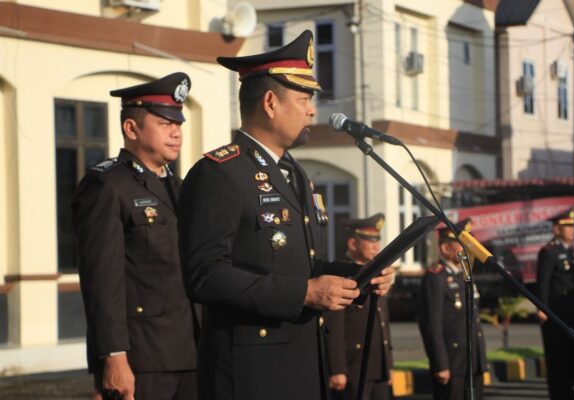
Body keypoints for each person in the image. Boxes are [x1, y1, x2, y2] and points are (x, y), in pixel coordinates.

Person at [177, 30, 394, 400]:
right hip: (251, 374)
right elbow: (205, 275)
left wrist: (360, 277)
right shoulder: (220, 173)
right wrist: (304, 293)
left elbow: (304, 265)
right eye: (304, 99)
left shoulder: (294, 173)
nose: (313, 110)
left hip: (303, 362)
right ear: (270, 103)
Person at [72, 73, 198, 400]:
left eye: (179, 124)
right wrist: (113, 357)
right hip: (142, 360)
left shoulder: (179, 188)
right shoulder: (107, 186)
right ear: (131, 128)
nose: (176, 132)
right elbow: (103, 279)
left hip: (191, 351)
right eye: (164, 122)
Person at [325, 213, 394, 400]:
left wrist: (388, 364)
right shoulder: (342, 276)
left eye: (377, 241)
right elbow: (335, 326)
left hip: (379, 367)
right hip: (354, 366)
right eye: (370, 241)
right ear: (353, 244)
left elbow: (383, 322)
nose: (376, 247)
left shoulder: (378, 274)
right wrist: (337, 369)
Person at [417, 218, 487, 400]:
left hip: (473, 362)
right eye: (461, 244)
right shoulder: (436, 277)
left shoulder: (464, 274)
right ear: (445, 248)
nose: (467, 249)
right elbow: (432, 325)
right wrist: (440, 364)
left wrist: (481, 361)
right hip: (452, 363)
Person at [536, 209, 574, 400]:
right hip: (557, 315)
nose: (572, 230)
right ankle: (559, 394)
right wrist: (542, 308)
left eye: (572, 226)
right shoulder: (549, 252)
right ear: (556, 229)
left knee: (573, 356)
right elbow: (544, 283)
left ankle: (569, 391)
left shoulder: (570, 252)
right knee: (558, 357)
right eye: (567, 226)